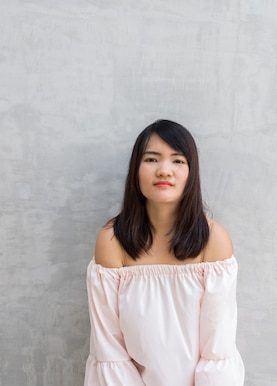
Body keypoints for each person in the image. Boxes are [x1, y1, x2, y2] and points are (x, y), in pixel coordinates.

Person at [84, 119, 245, 385]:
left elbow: (217, 348)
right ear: (136, 170)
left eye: (178, 161)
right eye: (151, 159)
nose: (164, 171)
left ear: (191, 172)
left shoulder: (213, 240)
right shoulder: (112, 241)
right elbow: (109, 349)